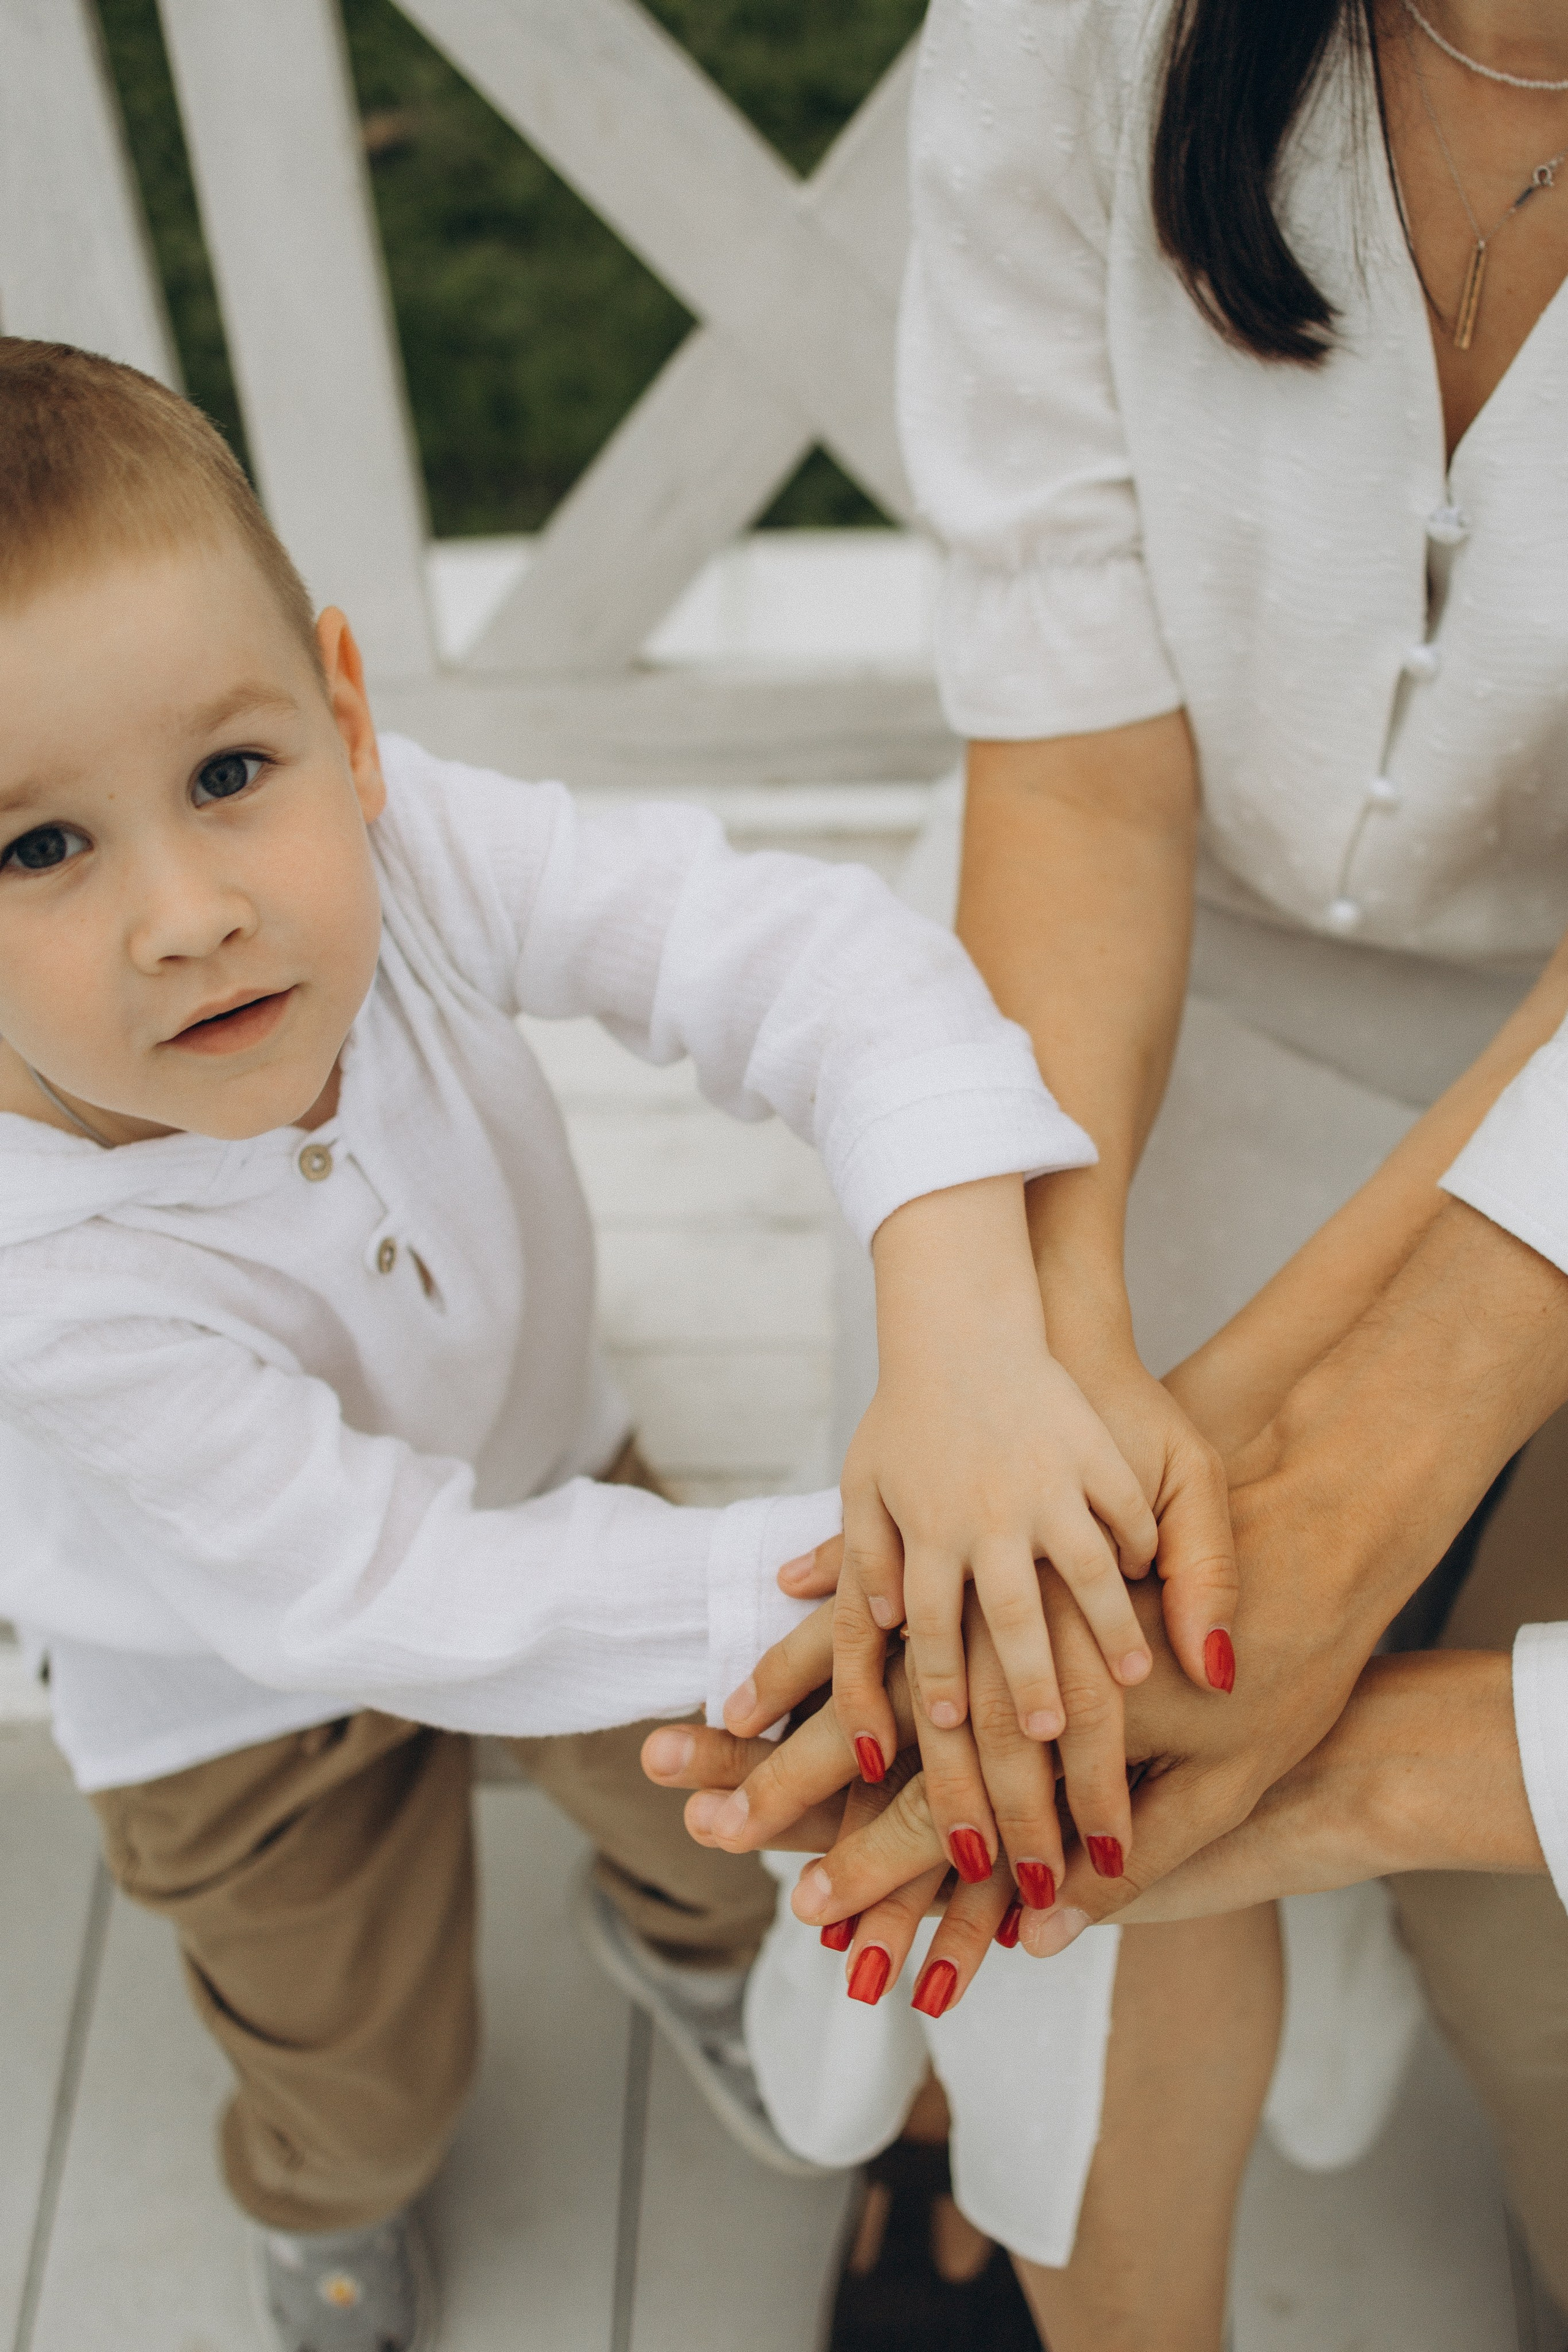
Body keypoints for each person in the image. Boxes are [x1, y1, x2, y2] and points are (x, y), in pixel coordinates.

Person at [0, 337, 1182, 2352]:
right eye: (36, 847)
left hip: (553, 1467)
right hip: (219, 1673)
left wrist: (966, 1324)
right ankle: (321, 2189)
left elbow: (801, 959)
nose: (188, 912)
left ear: (348, 723)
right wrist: (845, 1577)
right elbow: (370, 1587)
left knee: (729, 1837)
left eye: (227, 774)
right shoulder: (40, 1272)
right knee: (355, 2052)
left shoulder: (410, 853)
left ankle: (680, 1949)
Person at [647, 0, 1568, 2342]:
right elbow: (1073, 782)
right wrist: (1059, 1371)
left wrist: (1341, 1472)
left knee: (1420, 1836)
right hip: (1135, 977)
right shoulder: (1078, 26)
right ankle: (1057, 2237)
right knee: (1015, 1627)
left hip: (1533, 1056)